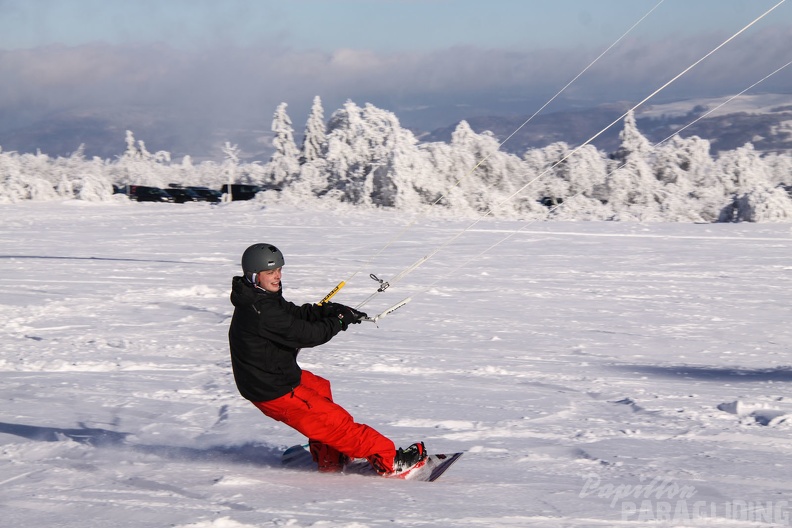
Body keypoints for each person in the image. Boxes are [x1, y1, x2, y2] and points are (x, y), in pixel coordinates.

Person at [228, 243, 427, 476]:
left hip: (272, 377)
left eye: (280, 270)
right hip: (275, 390)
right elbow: (307, 335)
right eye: (271, 272)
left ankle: (329, 456)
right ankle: (391, 461)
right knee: (336, 424)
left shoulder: (259, 297)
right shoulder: (261, 311)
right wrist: (338, 321)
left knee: (319, 387)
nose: (278, 276)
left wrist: (329, 310)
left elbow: (295, 314)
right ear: (254, 276)